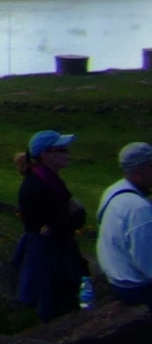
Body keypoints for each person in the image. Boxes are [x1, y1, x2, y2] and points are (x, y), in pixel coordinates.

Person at [13, 130, 87, 321]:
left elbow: (67, 220)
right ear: (45, 155)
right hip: (48, 255)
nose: (67, 154)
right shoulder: (37, 185)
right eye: (61, 150)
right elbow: (62, 222)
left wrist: (70, 219)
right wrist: (73, 217)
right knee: (54, 305)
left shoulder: (50, 180)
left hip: (53, 250)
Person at [96, 141, 152, 307]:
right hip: (137, 289)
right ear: (138, 171)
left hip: (115, 278)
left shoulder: (114, 190)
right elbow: (147, 261)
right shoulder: (138, 209)